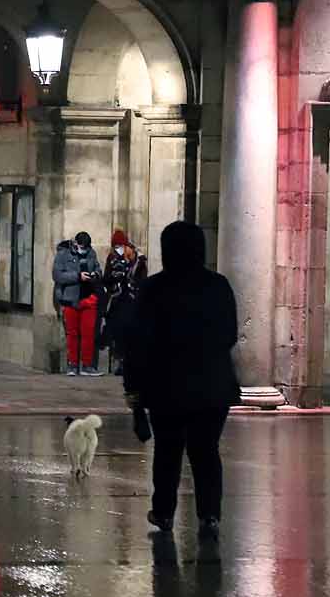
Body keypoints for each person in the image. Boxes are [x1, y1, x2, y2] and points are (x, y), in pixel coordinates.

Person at [122, 221, 240, 540]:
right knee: (206, 451)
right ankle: (210, 514)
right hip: (212, 386)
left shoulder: (154, 289)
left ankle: (163, 512)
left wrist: (134, 398)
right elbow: (229, 333)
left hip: (166, 386)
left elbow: (136, 344)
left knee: (168, 452)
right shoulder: (218, 285)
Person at [52, 230, 103, 376]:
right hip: (71, 298)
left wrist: (95, 275)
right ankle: (72, 365)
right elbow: (57, 275)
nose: (84, 250)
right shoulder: (63, 254)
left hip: (89, 298)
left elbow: (98, 268)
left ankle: (88, 365)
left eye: (86, 247)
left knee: (89, 333)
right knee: (72, 334)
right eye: (81, 247)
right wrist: (77, 276)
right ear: (76, 243)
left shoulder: (91, 253)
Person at [100, 228, 149, 376]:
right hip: (118, 300)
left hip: (132, 300)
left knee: (131, 331)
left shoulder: (138, 260)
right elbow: (106, 279)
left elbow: (142, 280)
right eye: (115, 247)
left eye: (120, 246)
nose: (118, 250)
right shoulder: (112, 258)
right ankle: (121, 361)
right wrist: (115, 277)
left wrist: (128, 273)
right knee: (118, 332)